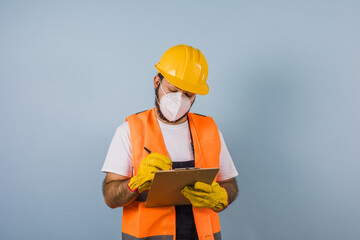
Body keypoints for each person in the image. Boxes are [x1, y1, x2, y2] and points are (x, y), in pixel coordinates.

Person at [101, 44, 239, 240]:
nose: (179, 100)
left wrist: (222, 197)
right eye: (173, 90)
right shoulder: (129, 131)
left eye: (188, 95)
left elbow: (230, 185)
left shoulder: (210, 130)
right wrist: (136, 182)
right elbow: (110, 197)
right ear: (157, 82)